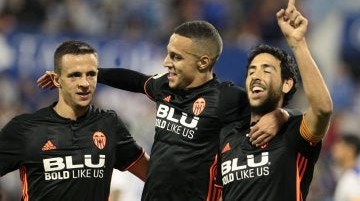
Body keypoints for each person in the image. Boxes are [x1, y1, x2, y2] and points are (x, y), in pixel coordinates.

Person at [37, 22, 292, 200]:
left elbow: (302, 116)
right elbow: (136, 81)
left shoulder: (229, 98)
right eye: (168, 54)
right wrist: (91, 75)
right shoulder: (165, 86)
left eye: (176, 57)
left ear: (203, 62)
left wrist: (281, 115)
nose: (166, 62)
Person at [0, 40, 149, 201]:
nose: (84, 83)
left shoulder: (109, 125)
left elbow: (154, 176)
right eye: (75, 75)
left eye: (91, 74)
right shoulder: (25, 129)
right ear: (57, 80)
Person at [216, 0, 333, 200]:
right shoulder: (227, 136)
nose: (256, 75)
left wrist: (297, 43)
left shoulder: (295, 132)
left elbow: (322, 109)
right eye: (251, 71)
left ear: (286, 84)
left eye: (266, 69)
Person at [332, 134, 360, 201]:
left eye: (340, 145)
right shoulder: (349, 175)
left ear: (350, 151)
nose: (334, 149)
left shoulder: (352, 178)